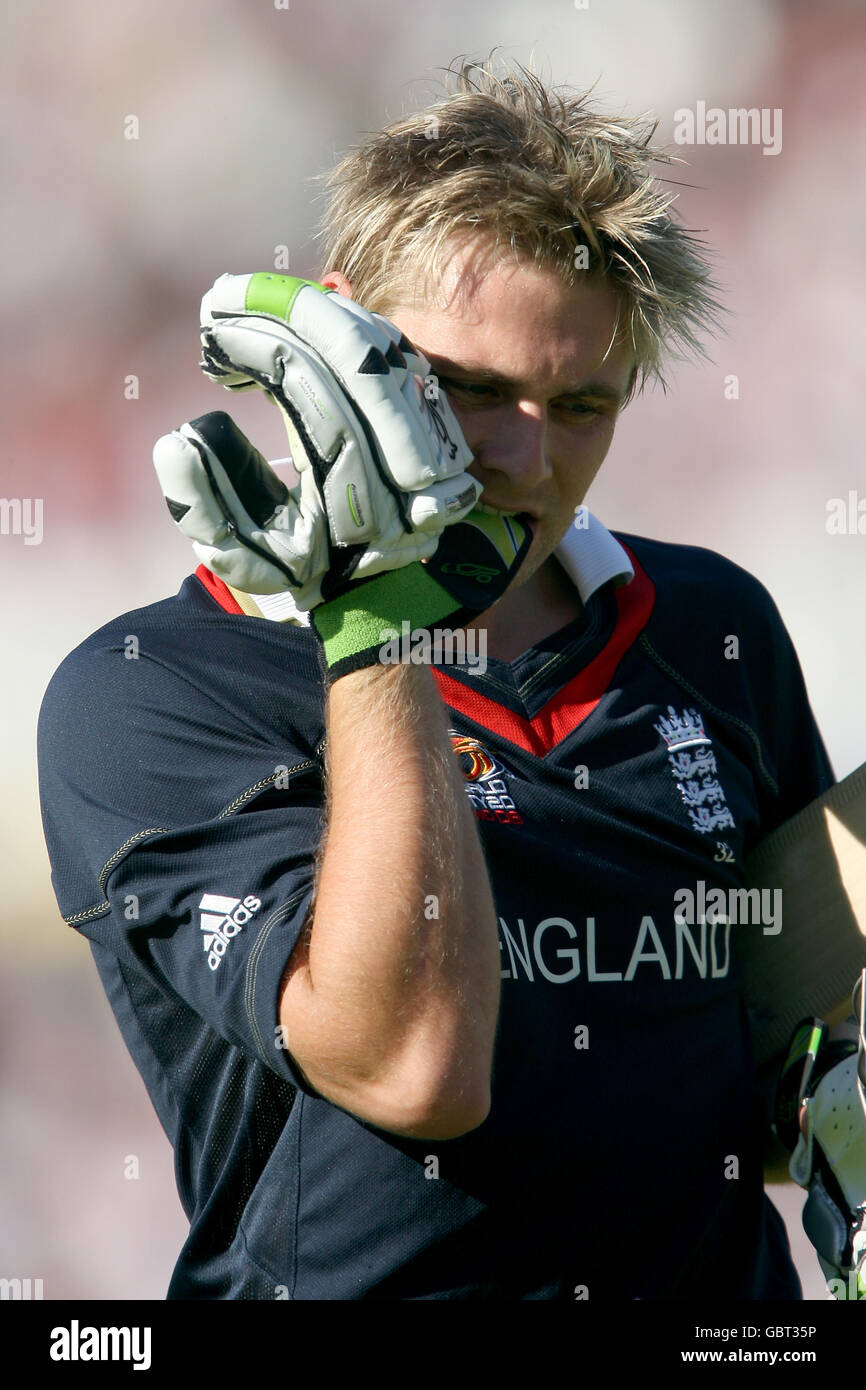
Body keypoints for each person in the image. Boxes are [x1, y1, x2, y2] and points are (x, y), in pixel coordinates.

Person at [37, 58, 856, 1301]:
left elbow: (765, 1036)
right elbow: (415, 1071)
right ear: (333, 332)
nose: (524, 457)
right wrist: (374, 624)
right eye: (468, 388)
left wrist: (830, 1095)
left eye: (581, 403)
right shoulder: (154, 689)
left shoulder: (707, 622)